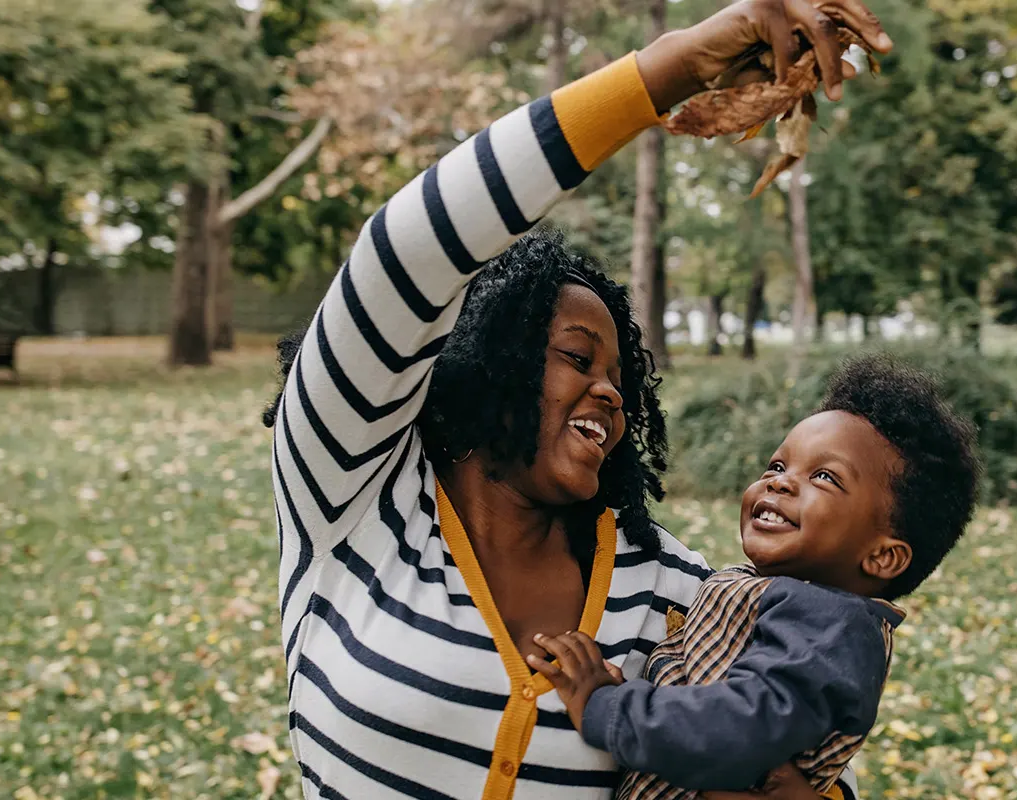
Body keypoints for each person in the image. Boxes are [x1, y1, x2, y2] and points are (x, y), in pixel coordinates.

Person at [259, 2, 893, 797]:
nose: (609, 395)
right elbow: (406, 249)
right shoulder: (351, 496)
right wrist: (671, 68)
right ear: (483, 361)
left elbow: (790, 757)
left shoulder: (673, 591)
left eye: (623, 381)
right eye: (575, 358)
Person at [529, 356, 982, 799]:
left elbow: (734, 731)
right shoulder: (788, 600)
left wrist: (603, 704)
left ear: (883, 556)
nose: (779, 483)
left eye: (824, 477)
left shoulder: (835, 628)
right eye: (778, 466)